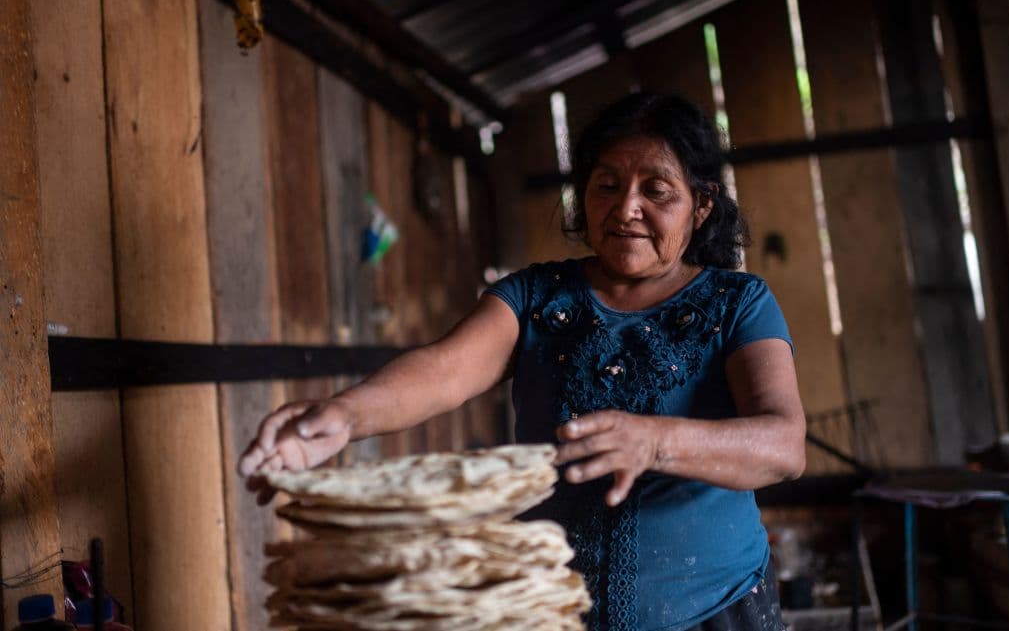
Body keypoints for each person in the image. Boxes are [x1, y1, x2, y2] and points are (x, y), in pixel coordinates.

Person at [238, 93, 806, 630]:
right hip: (544, 608)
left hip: (713, 611)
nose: (626, 207)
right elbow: (443, 370)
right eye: (607, 184)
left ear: (701, 206)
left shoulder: (737, 303)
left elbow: (784, 446)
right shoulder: (537, 296)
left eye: (656, 190)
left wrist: (656, 442)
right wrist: (342, 417)